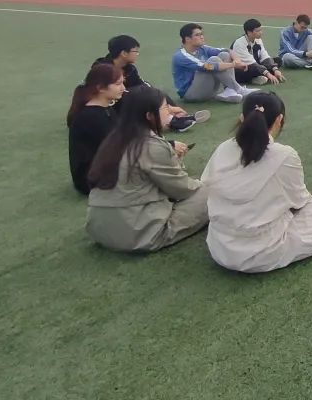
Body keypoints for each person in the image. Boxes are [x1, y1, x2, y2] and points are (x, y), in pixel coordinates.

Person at [203, 92, 312, 273]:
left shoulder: (223, 148)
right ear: (279, 120)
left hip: (220, 248)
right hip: (261, 252)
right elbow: (300, 201)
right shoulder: (285, 155)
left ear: (242, 118)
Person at [86, 86, 209, 253]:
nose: (169, 112)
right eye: (165, 108)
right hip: (138, 234)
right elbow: (182, 190)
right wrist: (199, 183)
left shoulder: (112, 140)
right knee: (209, 193)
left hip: (99, 229)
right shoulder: (151, 145)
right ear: (149, 116)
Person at [95, 34, 208, 132]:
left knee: (156, 94)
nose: (137, 54)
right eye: (135, 51)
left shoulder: (130, 69)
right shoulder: (103, 70)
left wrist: (163, 102)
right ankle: (171, 121)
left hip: (125, 101)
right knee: (139, 97)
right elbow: (110, 95)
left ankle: (175, 117)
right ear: (124, 53)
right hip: (111, 107)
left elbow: (143, 85)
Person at [67, 63, 125, 195]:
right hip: (92, 180)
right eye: (118, 84)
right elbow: (119, 148)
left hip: (102, 171)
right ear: (100, 88)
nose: (123, 88)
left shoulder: (105, 108)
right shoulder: (90, 117)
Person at [173, 23, 255, 103]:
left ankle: (229, 90)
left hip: (207, 90)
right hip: (191, 94)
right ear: (187, 39)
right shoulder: (181, 56)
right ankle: (238, 89)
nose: (202, 37)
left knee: (224, 55)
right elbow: (206, 66)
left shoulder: (202, 48)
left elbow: (227, 50)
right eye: (197, 35)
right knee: (213, 60)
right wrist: (233, 65)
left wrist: (237, 60)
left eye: (201, 34)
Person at [231, 19, 285, 86]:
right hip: (242, 69)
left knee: (277, 60)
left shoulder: (258, 40)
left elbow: (264, 55)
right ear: (249, 32)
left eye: (261, 30)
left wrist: (275, 69)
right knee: (253, 69)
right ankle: (252, 79)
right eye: (257, 31)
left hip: (255, 64)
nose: (261, 32)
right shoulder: (239, 43)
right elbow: (251, 63)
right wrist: (268, 74)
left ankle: (260, 76)